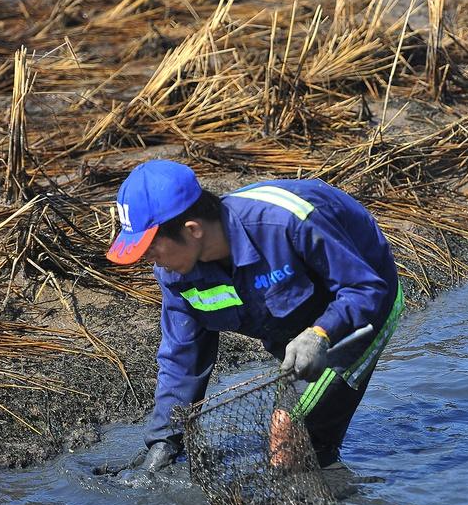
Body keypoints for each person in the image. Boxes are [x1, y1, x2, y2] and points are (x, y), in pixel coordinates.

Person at [105, 160, 403, 474]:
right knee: (308, 441)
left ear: (192, 230)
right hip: (290, 324)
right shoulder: (175, 274)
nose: (149, 260)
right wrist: (164, 441)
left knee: (288, 428)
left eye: (151, 248)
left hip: (361, 306)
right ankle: (324, 474)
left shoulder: (285, 223)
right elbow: (182, 357)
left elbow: (366, 288)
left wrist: (322, 332)